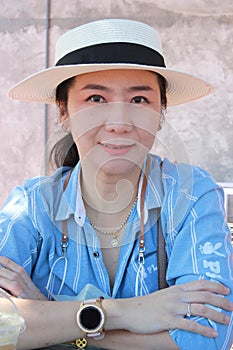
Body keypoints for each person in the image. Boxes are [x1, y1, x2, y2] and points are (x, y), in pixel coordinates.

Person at [0, 18, 232, 350]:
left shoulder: (191, 195)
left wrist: (52, 318)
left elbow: (209, 338)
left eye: (139, 100)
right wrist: (123, 313)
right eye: (96, 99)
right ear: (63, 112)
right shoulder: (32, 206)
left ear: (161, 111)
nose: (120, 123)